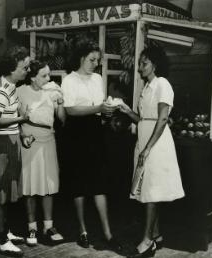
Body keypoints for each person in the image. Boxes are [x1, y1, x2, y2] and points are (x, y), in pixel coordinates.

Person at [119, 46, 185, 258]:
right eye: (140, 63)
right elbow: (143, 119)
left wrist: (148, 148)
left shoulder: (162, 84)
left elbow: (163, 118)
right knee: (146, 190)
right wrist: (128, 111)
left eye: (144, 63)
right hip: (144, 139)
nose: (140, 68)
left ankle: (147, 242)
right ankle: (156, 236)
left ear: (155, 64)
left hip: (156, 143)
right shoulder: (147, 87)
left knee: (151, 192)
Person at [61, 38, 122, 252]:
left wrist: (108, 111)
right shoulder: (69, 80)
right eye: (91, 59)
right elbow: (69, 110)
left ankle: (107, 233)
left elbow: (100, 106)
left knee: (99, 182)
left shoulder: (98, 78)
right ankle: (83, 231)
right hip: (77, 133)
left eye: (97, 60)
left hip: (96, 133)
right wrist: (98, 109)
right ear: (81, 58)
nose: (95, 63)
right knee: (79, 183)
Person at [0, 46, 31, 256]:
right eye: (24, 67)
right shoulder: (2, 89)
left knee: (9, 191)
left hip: (11, 141)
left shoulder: (11, 86)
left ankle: (7, 232)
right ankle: (2, 240)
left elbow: (11, 117)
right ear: (12, 69)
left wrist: (22, 133)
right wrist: (21, 119)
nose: (27, 71)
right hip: (1, 146)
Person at [17, 60, 65, 246]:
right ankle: (32, 227)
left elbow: (61, 119)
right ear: (32, 77)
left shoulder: (52, 91)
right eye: (43, 75)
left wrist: (60, 100)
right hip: (29, 141)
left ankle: (48, 226)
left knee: (48, 185)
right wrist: (22, 134)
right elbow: (15, 118)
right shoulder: (21, 91)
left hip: (48, 141)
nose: (48, 79)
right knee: (29, 186)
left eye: (49, 75)